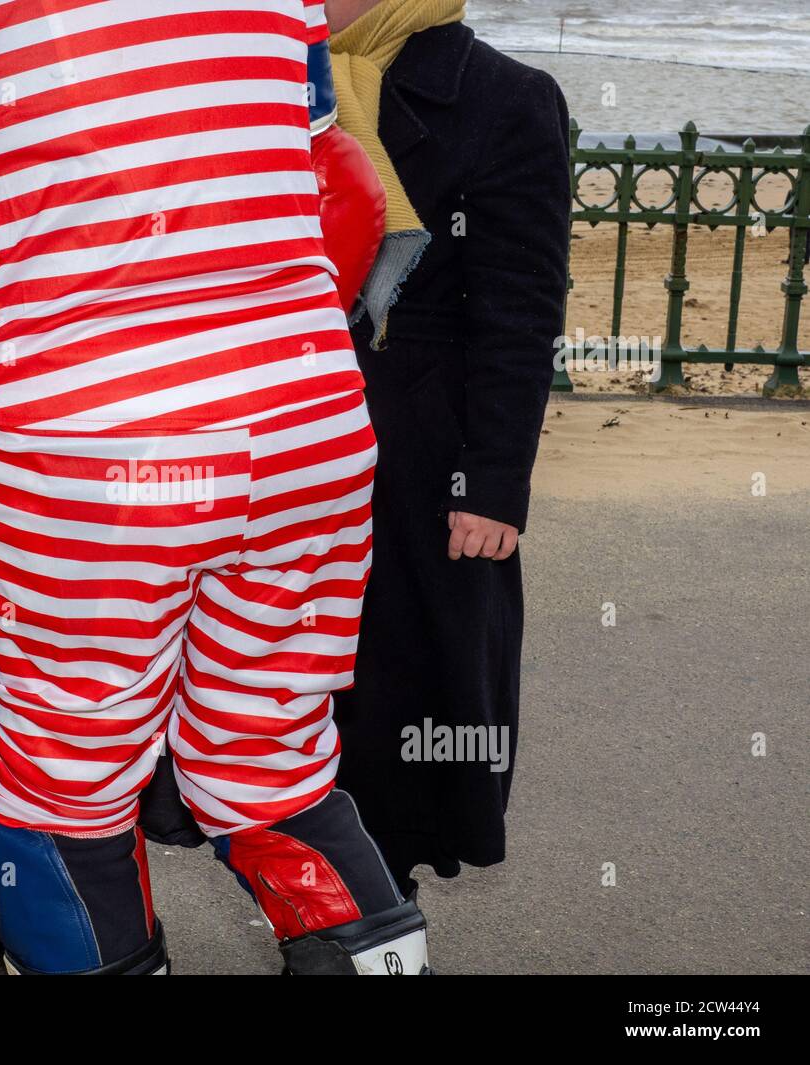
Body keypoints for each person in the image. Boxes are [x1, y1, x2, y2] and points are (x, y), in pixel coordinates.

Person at [0, 0, 428, 975]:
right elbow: (339, 188)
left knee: (56, 798)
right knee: (269, 768)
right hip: (304, 430)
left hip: (92, 456)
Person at [323, 0, 571, 894]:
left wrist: (494, 484)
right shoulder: (262, 76)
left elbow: (518, 310)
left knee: (395, 708)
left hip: (421, 463)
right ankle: (317, 903)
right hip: (275, 439)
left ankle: (374, 922)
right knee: (271, 703)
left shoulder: (506, 97)